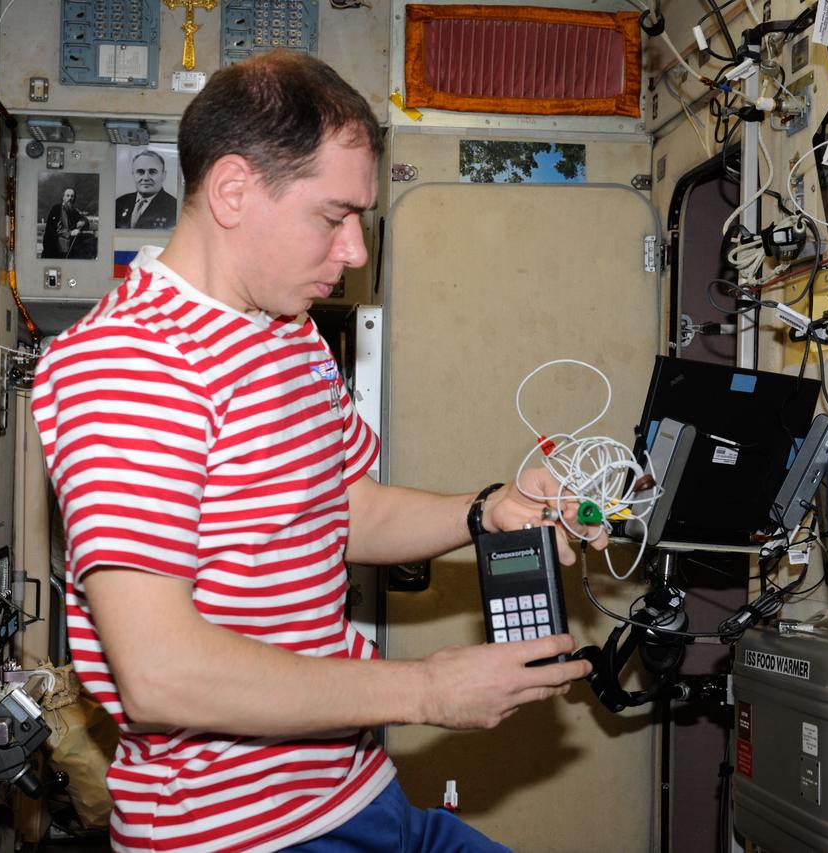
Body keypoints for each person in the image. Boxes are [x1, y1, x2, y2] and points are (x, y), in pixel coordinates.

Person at [32, 51, 607, 853]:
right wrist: (427, 689)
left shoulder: (288, 331)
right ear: (233, 190)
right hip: (238, 834)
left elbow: (341, 509)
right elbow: (160, 674)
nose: (355, 254)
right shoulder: (130, 366)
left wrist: (483, 512)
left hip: (356, 793)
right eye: (332, 218)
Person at [114, 148, 179, 229]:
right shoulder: (120, 203)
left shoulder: (174, 207)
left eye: (152, 172)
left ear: (163, 175)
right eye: (140, 172)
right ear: (133, 175)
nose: (146, 178)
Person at [42, 186, 95, 259]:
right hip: (56, 244)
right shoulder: (56, 209)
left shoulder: (72, 210)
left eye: (72, 196)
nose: (70, 198)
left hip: (69, 241)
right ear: (63, 198)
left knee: (91, 238)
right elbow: (54, 229)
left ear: (74, 199)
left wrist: (82, 221)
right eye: (68, 196)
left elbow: (83, 218)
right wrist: (70, 233)